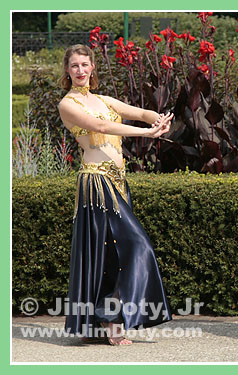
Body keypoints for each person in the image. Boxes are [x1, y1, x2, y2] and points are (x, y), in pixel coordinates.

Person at [58, 44, 174, 346]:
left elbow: (137, 112)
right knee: (135, 246)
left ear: (92, 67)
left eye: (85, 64)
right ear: (67, 71)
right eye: (74, 66)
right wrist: (147, 133)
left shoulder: (103, 99)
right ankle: (110, 322)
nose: (81, 71)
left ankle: (103, 322)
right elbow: (98, 125)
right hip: (96, 184)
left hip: (118, 184)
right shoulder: (68, 104)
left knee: (112, 254)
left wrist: (156, 119)